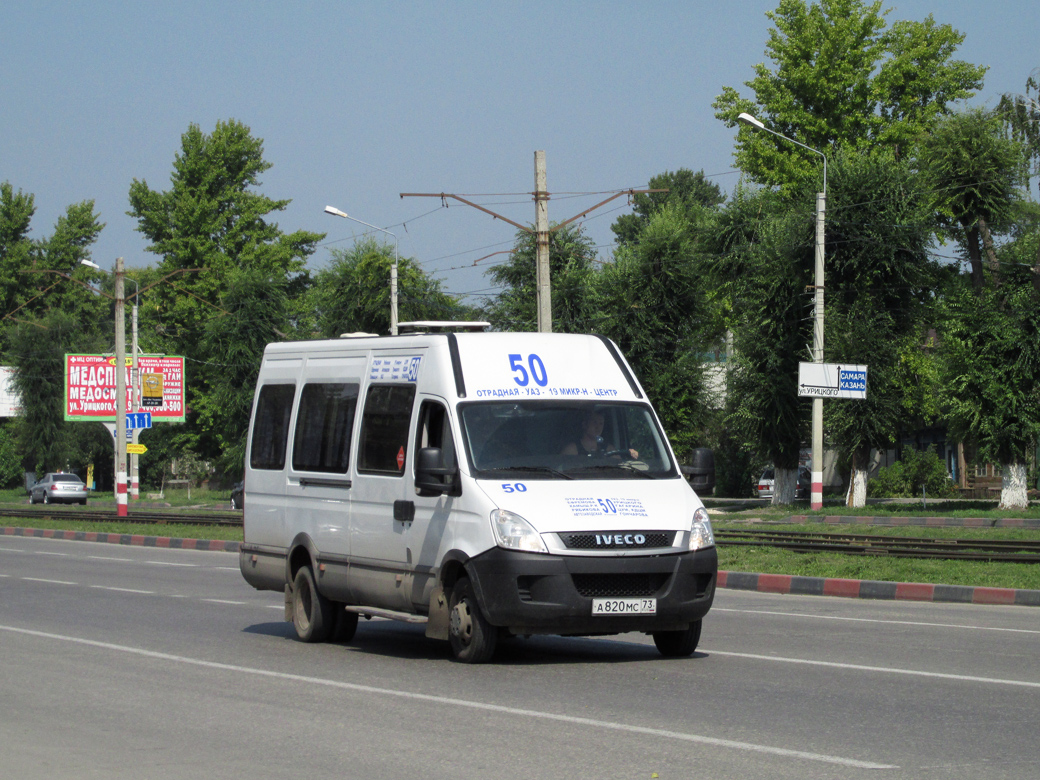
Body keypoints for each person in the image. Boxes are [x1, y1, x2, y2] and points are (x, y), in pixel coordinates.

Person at [561, 410, 637, 459]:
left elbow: (620, 468)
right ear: (584, 424)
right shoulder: (572, 450)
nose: (598, 427)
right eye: (594, 422)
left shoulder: (609, 449)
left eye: (601, 423)